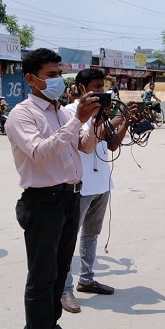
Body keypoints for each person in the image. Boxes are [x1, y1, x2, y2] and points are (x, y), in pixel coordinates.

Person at [6, 48, 101, 329]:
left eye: (60, 73)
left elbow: (85, 147)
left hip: (70, 197)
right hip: (43, 201)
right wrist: (77, 121)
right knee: (42, 275)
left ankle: (50, 328)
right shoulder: (22, 114)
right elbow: (40, 153)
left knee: (60, 270)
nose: (58, 79)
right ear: (31, 79)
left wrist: (93, 121)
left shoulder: (61, 112)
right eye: (51, 75)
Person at [60, 69, 138, 314]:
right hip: (79, 186)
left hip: (101, 183)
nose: (101, 91)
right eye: (96, 87)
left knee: (91, 235)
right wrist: (113, 119)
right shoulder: (70, 113)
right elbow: (86, 144)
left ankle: (87, 279)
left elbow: (113, 144)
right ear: (82, 88)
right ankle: (64, 288)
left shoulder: (103, 112)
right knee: (68, 239)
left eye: (103, 87)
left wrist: (124, 121)